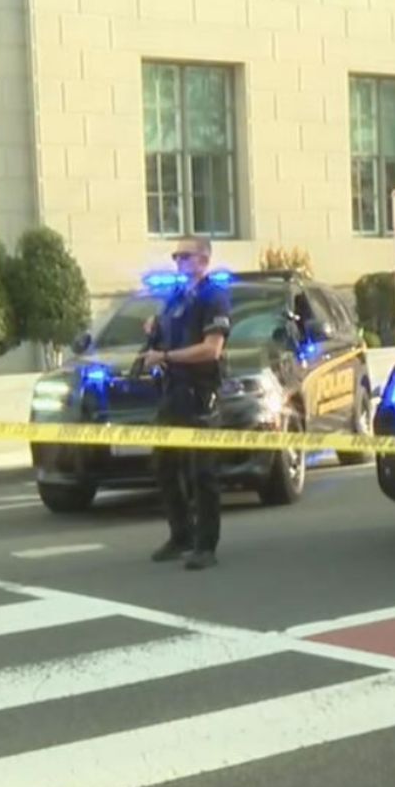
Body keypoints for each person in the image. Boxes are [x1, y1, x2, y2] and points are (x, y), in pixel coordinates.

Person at [141, 236, 232, 571]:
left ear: (203, 260)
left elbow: (212, 349)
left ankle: (206, 545)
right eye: (175, 256)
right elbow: (166, 335)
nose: (178, 261)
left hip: (200, 393)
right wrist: (155, 331)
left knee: (202, 472)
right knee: (164, 465)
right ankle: (181, 535)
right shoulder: (178, 298)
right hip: (173, 392)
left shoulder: (214, 296)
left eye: (184, 256)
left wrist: (165, 354)